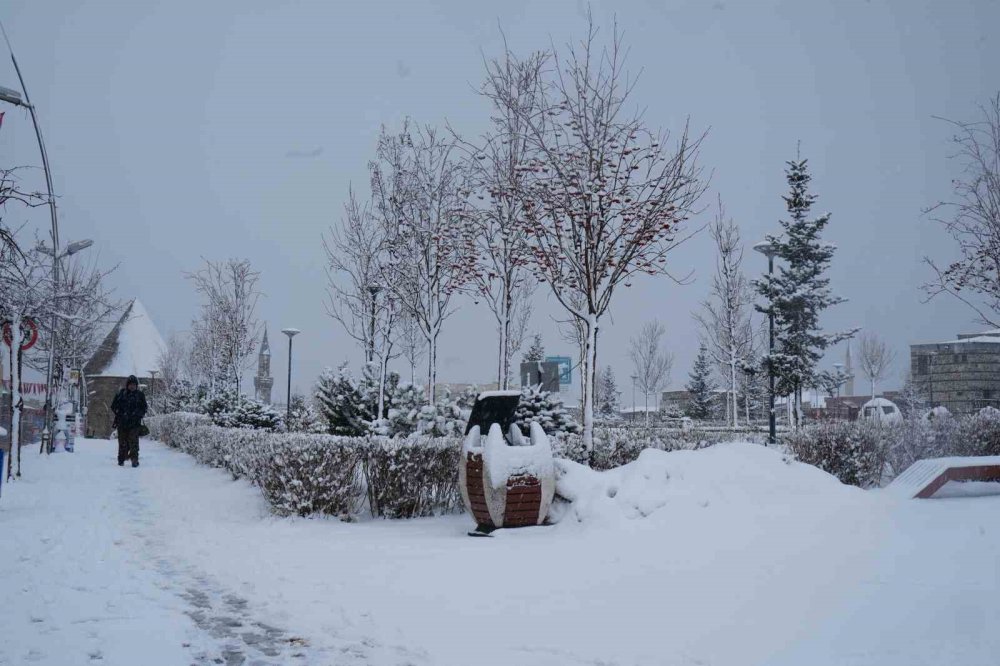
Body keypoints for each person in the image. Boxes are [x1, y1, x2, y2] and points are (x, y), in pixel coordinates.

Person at [111, 375, 147, 467]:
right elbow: (114, 406)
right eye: (130, 384)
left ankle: (134, 460)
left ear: (136, 385)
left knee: (134, 442)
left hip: (134, 423)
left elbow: (144, 408)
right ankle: (121, 459)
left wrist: (137, 414)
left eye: (134, 385)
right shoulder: (121, 394)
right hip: (122, 423)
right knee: (122, 442)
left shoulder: (140, 395)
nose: (132, 386)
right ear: (127, 385)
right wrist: (120, 413)